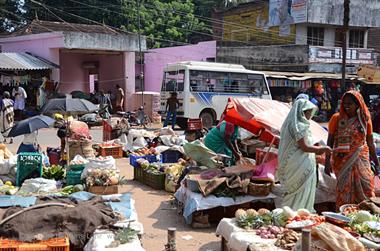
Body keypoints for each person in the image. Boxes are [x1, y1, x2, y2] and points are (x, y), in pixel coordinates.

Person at [325, 91, 380, 208]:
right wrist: (326, 163)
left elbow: (370, 143)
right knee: (344, 188)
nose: (346, 106)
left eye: (350, 103)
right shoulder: (336, 118)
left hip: (361, 158)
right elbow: (329, 142)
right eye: (344, 103)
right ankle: (344, 212)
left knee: (366, 186)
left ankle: (367, 212)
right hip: (342, 161)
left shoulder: (364, 120)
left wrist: (376, 162)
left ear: (358, 104)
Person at [277, 99, 332, 211]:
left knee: (295, 192)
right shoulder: (299, 126)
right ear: (302, 112)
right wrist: (322, 149)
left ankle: (292, 213)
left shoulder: (292, 124)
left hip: (296, 162)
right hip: (299, 164)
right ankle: (295, 213)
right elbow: (305, 147)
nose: (310, 115)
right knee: (299, 190)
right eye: (309, 112)